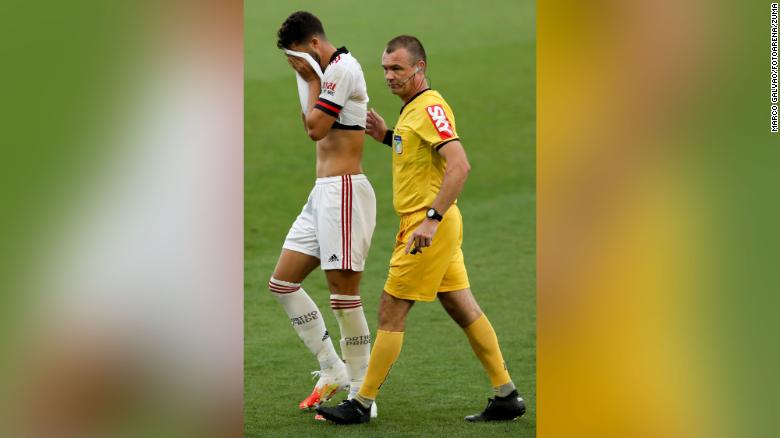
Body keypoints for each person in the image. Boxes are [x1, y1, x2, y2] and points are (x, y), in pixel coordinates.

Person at [316, 35, 526, 424]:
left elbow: (459, 165)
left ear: (419, 68)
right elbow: (420, 153)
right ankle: (506, 395)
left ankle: (360, 403)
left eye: (397, 69)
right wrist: (387, 136)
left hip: (427, 227)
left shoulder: (430, 108)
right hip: (433, 226)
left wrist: (431, 219)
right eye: (384, 69)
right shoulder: (413, 111)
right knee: (462, 306)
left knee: (391, 308)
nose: (389, 76)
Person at [269, 11, 377, 418]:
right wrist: (306, 76)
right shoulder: (322, 73)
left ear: (314, 45)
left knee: (344, 297)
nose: (296, 66)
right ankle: (332, 368)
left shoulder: (342, 69)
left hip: (345, 192)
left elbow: (316, 128)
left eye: (298, 56)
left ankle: (362, 397)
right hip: (322, 195)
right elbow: (308, 123)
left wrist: (310, 78)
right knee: (282, 283)